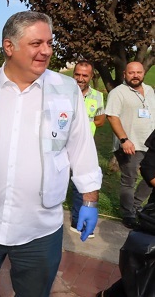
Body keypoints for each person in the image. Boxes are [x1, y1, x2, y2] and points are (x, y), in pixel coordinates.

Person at [0, 11, 102, 297]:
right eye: (37, 43)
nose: (47, 51)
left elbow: (82, 148)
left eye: (50, 43)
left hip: (40, 228)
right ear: (9, 46)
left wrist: (90, 198)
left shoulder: (66, 91)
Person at [105, 61, 155, 229]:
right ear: (124, 74)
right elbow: (112, 116)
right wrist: (124, 140)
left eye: (138, 72)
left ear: (143, 73)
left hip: (150, 145)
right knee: (129, 180)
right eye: (131, 72)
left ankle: (136, 206)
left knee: (151, 178)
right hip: (130, 144)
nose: (136, 75)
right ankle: (128, 214)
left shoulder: (149, 91)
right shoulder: (118, 92)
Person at [70, 59, 105, 236]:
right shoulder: (64, 93)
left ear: (91, 76)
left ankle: (77, 221)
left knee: (81, 186)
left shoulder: (98, 96)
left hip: (83, 148)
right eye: (77, 74)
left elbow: (100, 120)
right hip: (61, 147)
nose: (80, 78)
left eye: (85, 75)